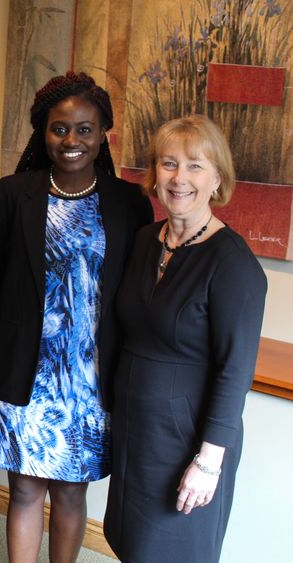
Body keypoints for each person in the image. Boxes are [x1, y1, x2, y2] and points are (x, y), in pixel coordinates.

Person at [0, 71, 153, 562]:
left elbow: (140, 293)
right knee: (25, 492)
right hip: (23, 371)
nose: (71, 140)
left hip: (92, 379)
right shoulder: (13, 194)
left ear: (102, 135)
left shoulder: (130, 203)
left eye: (84, 129)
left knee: (73, 494)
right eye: (59, 128)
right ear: (43, 132)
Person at [103, 115, 267, 562]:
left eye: (195, 166)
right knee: (131, 546)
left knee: (174, 552)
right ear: (154, 174)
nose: (179, 178)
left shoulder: (233, 263)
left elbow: (235, 373)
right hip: (137, 431)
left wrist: (208, 461)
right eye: (169, 164)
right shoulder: (143, 242)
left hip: (188, 442)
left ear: (217, 178)